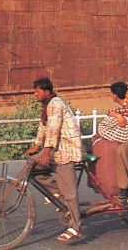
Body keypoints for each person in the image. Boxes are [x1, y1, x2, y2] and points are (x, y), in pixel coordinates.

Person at [27, 77, 83, 243]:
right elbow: (43, 126)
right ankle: (57, 189)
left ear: (47, 92)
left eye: (37, 91)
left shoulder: (56, 103)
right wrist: (37, 146)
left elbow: (54, 128)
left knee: (70, 193)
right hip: (56, 148)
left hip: (67, 149)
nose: (35, 94)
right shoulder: (47, 105)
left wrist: (45, 151)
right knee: (33, 168)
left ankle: (75, 227)